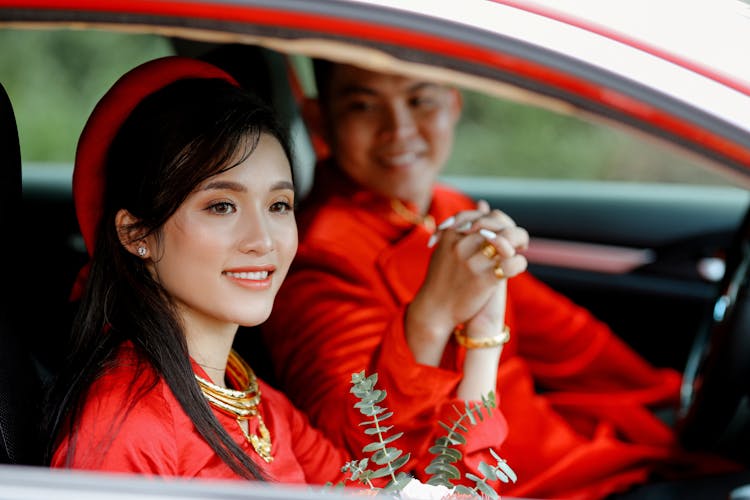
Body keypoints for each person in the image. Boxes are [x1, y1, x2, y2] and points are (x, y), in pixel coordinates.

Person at [261, 60, 742, 498]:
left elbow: (568, 340)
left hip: (577, 458)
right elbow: (364, 451)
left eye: (420, 99)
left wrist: (681, 404)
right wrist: (431, 316)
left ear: (453, 104)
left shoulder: (449, 208)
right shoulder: (321, 255)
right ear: (322, 120)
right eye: (363, 106)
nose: (399, 129)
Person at [41, 55, 362, 485]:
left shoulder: (253, 399)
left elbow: (376, 487)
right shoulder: (129, 422)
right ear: (138, 233)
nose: (263, 240)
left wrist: (481, 339)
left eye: (278, 205)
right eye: (222, 206)